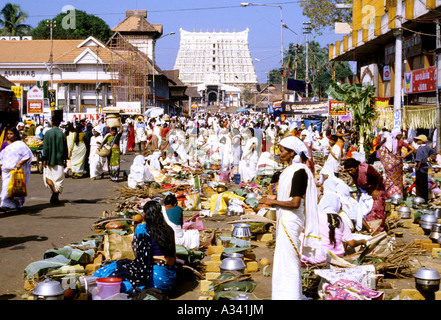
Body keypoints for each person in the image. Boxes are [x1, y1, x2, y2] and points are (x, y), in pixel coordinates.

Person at [258, 135, 321, 300]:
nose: (279, 153)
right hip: (286, 218)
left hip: (291, 219)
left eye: (282, 150)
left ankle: (290, 296)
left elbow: (295, 203)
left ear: (292, 152)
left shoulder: (299, 172)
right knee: (283, 260)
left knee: (289, 260)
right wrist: (272, 199)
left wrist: (272, 203)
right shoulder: (290, 171)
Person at [92, 200, 177, 295]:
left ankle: (95, 280)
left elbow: (139, 256)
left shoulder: (142, 229)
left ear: (145, 214)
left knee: (117, 270)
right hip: (170, 280)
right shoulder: (169, 230)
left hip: (156, 282)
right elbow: (174, 255)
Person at [301, 192, 366, 265]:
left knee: (301, 236)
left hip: (319, 257)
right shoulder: (342, 219)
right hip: (337, 257)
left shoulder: (316, 216)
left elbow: (303, 231)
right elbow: (352, 243)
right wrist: (362, 241)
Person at [343, 158, 386, 233]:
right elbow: (356, 180)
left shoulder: (366, 169)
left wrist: (377, 190)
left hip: (376, 188)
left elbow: (379, 177)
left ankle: (380, 229)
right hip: (366, 191)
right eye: (348, 171)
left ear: (356, 167)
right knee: (366, 213)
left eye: (351, 170)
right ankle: (371, 229)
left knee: (377, 209)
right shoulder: (354, 173)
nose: (349, 172)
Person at [0, 126, 33, 212]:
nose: (9, 136)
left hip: (16, 170)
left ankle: (19, 204)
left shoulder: (20, 145)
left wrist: (20, 162)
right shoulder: (5, 144)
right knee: (6, 187)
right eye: (8, 134)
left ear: (16, 135)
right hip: (6, 170)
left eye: (11, 134)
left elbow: (28, 155)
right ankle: (5, 204)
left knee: (17, 188)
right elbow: (1, 156)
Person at [377, 128, 416, 198]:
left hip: (389, 164)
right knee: (397, 180)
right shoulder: (401, 142)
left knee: (389, 179)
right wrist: (404, 155)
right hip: (398, 163)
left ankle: (389, 195)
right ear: (396, 135)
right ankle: (398, 195)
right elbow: (413, 149)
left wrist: (387, 160)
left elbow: (380, 151)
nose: (401, 136)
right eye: (400, 135)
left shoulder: (388, 143)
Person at [42, 111, 69, 205]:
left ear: (52, 123)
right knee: (58, 180)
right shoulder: (62, 134)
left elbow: (45, 148)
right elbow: (65, 148)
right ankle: (55, 194)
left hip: (49, 159)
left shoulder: (48, 133)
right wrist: (65, 159)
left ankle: (54, 192)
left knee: (48, 178)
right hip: (60, 160)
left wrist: (44, 158)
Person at [414, 134, 437, 202]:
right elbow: (434, 153)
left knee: (419, 185)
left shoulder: (420, 149)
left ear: (422, 141)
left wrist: (417, 169)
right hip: (425, 168)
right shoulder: (427, 148)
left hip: (420, 168)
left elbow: (419, 161)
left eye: (418, 140)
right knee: (424, 184)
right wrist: (429, 158)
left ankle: (420, 200)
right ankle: (425, 200)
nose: (417, 141)